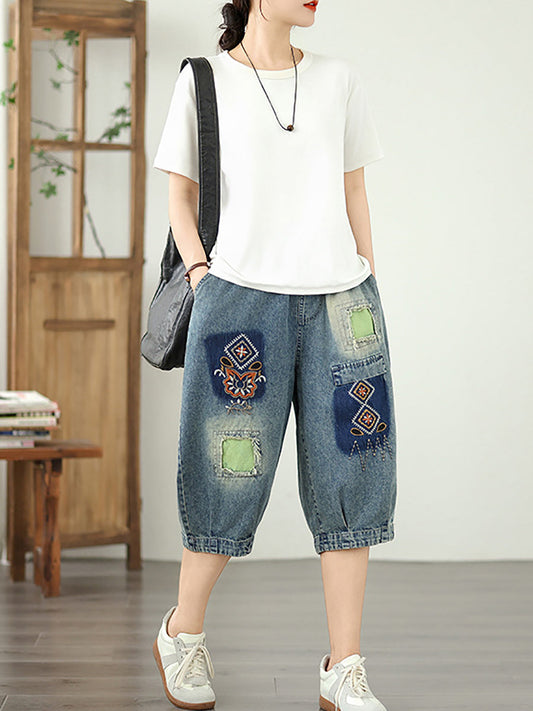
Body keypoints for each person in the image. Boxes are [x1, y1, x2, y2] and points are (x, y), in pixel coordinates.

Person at [151, 1, 396, 709]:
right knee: (227, 473)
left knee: (354, 475)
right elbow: (180, 192)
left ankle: (344, 665)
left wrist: (369, 284)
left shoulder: (338, 79)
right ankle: (183, 633)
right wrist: (203, 276)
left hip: (343, 307)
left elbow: (354, 188)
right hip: (239, 307)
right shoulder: (204, 80)